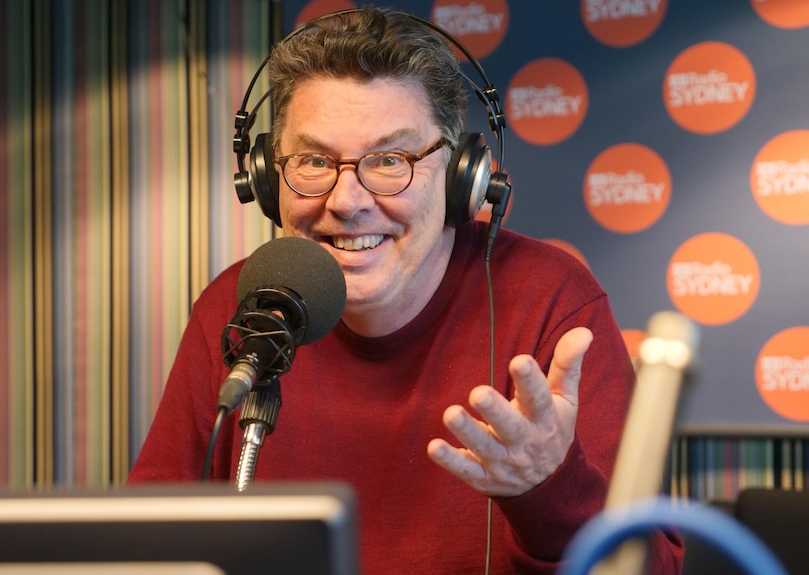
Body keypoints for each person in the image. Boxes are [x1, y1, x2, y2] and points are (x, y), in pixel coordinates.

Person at [127, 7, 683, 573]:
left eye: (390, 160)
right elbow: (146, 545)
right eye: (315, 160)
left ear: (461, 175)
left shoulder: (552, 304)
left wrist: (547, 491)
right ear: (269, 179)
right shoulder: (243, 308)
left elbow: (652, 568)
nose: (347, 201)